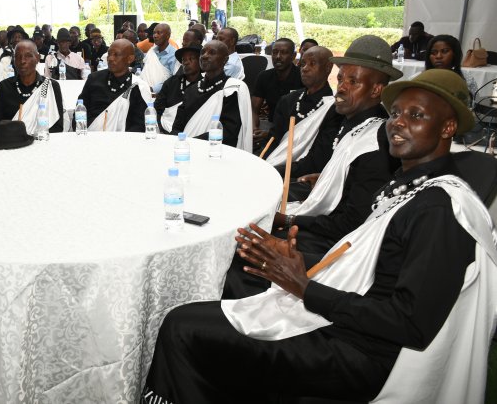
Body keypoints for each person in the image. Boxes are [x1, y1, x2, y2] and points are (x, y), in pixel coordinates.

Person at [144, 67, 497, 404]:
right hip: (349, 320)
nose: (398, 122)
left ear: (448, 127)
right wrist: (291, 259)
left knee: (182, 327)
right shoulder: (411, 183)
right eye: (395, 113)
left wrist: (305, 287)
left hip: (365, 352)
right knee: (236, 276)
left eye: (416, 115)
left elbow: (410, 323)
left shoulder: (440, 211)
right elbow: (369, 264)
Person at [226, 36, 401, 298]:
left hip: (336, 245)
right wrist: (327, 177)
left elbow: (352, 223)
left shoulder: (375, 142)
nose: (341, 88)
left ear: (377, 90)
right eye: (340, 79)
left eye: (353, 82)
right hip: (323, 220)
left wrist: (289, 220)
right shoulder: (356, 123)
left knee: (239, 248)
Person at [171, 40, 252, 150]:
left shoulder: (232, 90)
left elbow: (228, 132)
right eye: (203, 52)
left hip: (215, 150)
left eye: (212, 53)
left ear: (225, 60)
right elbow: (177, 125)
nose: (204, 56)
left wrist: (193, 142)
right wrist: (178, 141)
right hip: (184, 147)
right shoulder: (191, 89)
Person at [261, 45, 335, 158]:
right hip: (276, 160)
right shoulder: (288, 100)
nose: (304, 68)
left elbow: (321, 154)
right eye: (302, 64)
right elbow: (273, 140)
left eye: (312, 63)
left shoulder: (333, 108)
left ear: (328, 67)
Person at [76, 39, 152, 132]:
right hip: (90, 135)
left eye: (116, 55)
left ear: (130, 59)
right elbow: (80, 110)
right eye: (109, 54)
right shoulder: (94, 79)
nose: (110, 58)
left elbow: (140, 125)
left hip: (124, 138)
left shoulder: (138, 87)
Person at [0, 40, 63, 137]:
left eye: (28, 56)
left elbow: (57, 127)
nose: (22, 61)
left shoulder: (50, 86)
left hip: (43, 143)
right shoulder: (4, 87)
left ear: (37, 58)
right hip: (11, 143)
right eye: (18, 56)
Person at [251, 38, 301, 129]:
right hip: (271, 124)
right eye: (274, 52)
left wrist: (270, 134)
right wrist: (254, 128)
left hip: (298, 127)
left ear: (293, 56)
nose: (278, 56)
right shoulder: (264, 76)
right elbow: (254, 110)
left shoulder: (302, 77)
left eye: (284, 53)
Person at [154, 45, 202, 134]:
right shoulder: (171, 82)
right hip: (163, 131)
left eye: (191, 59)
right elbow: (157, 109)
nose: (186, 62)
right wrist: (160, 129)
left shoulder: (203, 86)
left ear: (200, 62)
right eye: (184, 60)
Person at [141, 23, 178, 94]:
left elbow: (174, 80)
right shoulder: (152, 51)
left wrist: (153, 89)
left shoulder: (174, 55)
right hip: (143, 91)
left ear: (168, 35)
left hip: (162, 95)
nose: (155, 36)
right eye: (154, 33)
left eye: (159, 33)